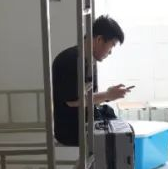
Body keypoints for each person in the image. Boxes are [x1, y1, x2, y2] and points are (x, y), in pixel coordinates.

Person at [51, 15, 131, 147]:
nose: (110, 52)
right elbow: (73, 101)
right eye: (112, 45)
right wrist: (107, 95)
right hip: (72, 132)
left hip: (86, 123)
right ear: (99, 39)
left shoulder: (88, 61)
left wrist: (108, 95)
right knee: (122, 142)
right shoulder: (71, 60)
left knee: (124, 131)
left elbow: (89, 99)